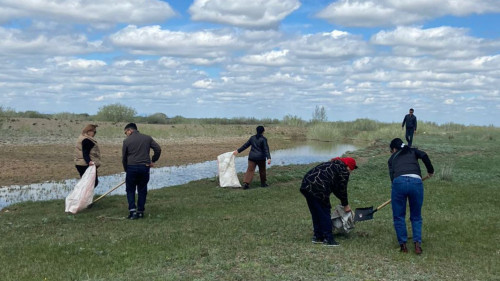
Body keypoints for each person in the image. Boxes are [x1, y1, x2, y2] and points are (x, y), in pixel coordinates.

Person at [388, 138, 434, 254]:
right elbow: (424, 155)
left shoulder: (392, 158)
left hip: (399, 183)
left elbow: (392, 177)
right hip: (416, 182)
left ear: (394, 149)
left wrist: (396, 188)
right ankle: (417, 245)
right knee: (416, 215)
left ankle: (403, 245)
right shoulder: (413, 151)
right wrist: (430, 170)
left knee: (398, 215)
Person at [300, 157, 357, 247]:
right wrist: (345, 205)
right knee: (325, 211)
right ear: (348, 166)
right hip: (318, 187)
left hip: (306, 184)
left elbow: (335, 188)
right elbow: (342, 189)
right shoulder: (343, 171)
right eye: (351, 169)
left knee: (316, 212)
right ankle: (328, 239)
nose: (351, 172)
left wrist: (343, 202)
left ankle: (318, 236)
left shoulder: (333, 165)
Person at [122, 123, 161, 219]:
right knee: (142, 189)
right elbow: (158, 149)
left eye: (125, 132)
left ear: (130, 130)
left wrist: (126, 170)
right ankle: (140, 211)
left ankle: (132, 212)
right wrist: (153, 160)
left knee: (130, 189)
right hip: (144, 167)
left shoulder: (126, 141)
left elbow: (124, 158)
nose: (126, 134)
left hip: (131, 167)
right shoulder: (147, 138)